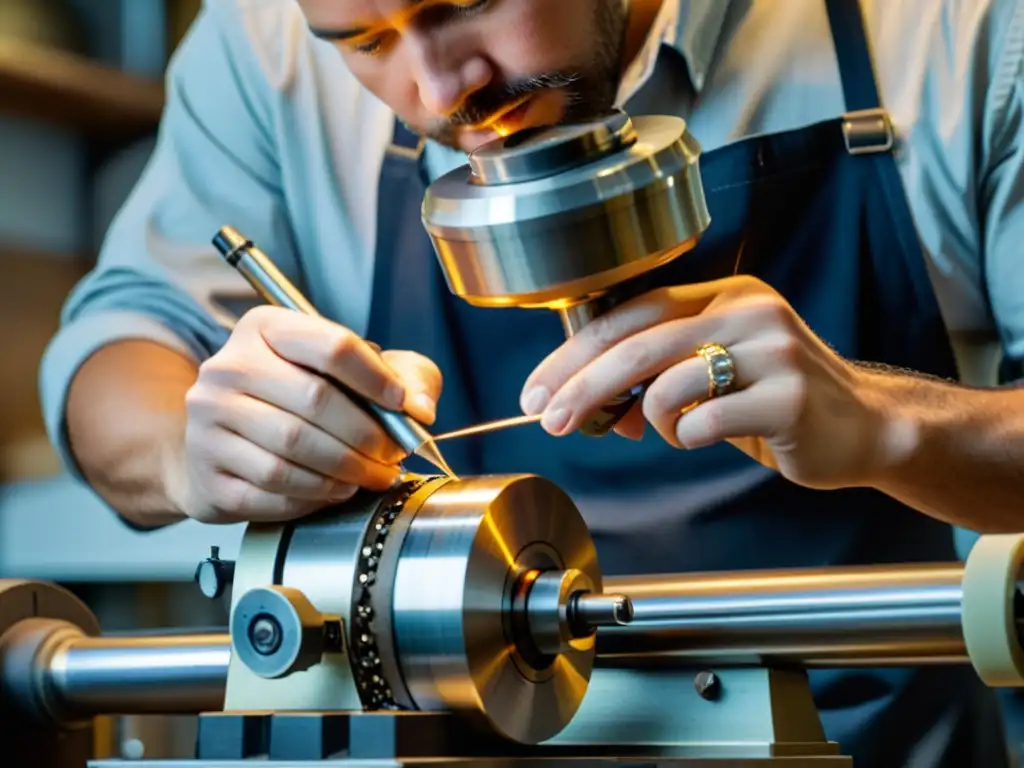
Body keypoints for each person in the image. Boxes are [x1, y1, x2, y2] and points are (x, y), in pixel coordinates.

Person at [39, 0, 1022, 764]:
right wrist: (188, 448)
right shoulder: (264, 45)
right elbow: (117, 344)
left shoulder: (950, 30)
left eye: (466, 4)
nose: (436, 91)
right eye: (365, 42)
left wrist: (892, 425)